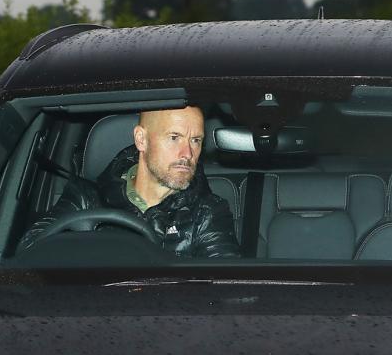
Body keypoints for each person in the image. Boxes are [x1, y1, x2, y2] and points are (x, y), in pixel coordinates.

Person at [19, 106, 240, 258]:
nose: (188, 153)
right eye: (174, 138)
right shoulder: (86, 198)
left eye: (196, 140)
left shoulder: (207, 211)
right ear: (141, 139)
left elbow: (226, 288)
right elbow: (30, 255)